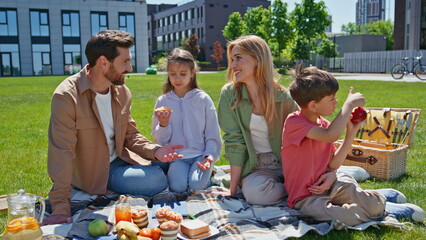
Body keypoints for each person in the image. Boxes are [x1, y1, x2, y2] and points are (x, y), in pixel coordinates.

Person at [43, 30, 183, 226]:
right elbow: (61, 153)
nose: (130, 68)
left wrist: (156, 151)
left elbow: (130, 135)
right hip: (96, 172)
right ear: (103, 63)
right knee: (156, 180)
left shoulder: (122, 91)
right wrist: (60, 208)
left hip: (120, 158)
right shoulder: (67, 96)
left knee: (168, 163)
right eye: (125, 62)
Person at [281, 64, 424, 225]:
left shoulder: (325, 124)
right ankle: (383, 211)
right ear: (313, 105)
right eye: (332, 99)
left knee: (363, 201)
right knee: (344, 216)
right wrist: (348, 106)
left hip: (330, 185)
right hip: (305, 198)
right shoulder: (294, 122)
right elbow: (331, 136)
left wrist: (351, 133)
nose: (336, 102)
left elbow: (334, 163)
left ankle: (378, 205)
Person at [216, 35, 336, 206]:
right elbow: (234, 141)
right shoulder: (229, 94)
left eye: (238, 58)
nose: (233, 65)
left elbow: (313, 133)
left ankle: (299, 186)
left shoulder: (284, 97)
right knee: (256, 195)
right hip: (255, 167)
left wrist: (331, 171)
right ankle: (297, 188)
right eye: (232, 59)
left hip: (289, 163)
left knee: (328, 182)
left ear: (257, 59)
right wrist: (233, 190)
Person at [151, 48, 222, 193]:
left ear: (192, 72)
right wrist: (163, 125)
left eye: (183, 74)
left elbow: (212, 133)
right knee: (178, 188)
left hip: (200, 155)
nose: (177, 79)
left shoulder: (202, 99)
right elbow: (161, 141)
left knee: (197, 187)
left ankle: (210, 173)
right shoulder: (163, 101)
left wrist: (209, 156)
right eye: (173, 74)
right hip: (178, 157)